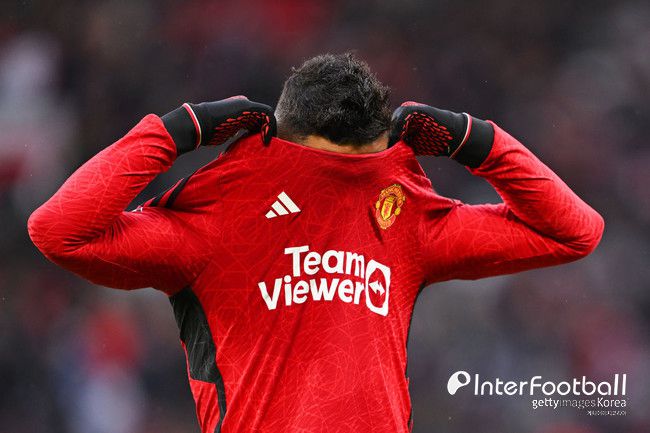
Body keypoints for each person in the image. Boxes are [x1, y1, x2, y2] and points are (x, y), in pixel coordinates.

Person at [28, 53, 604, 433]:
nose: (338, 190)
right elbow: (57, 230)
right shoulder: (218, 222)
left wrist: (474, 139)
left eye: (358, 171)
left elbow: (575, 231)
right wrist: (178, 129)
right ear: (284, 142)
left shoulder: (407, 217)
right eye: (321, 171)